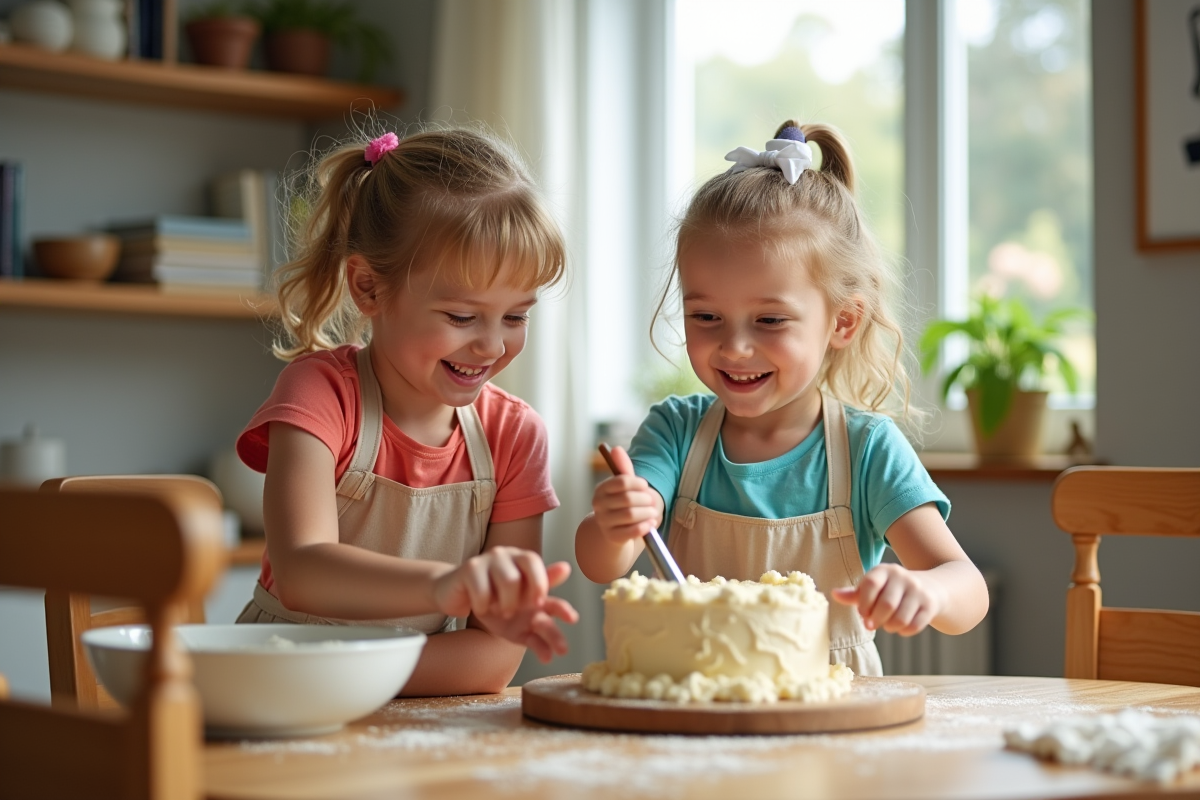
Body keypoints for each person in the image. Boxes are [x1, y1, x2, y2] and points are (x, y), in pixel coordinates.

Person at [575, 121, 989, 676]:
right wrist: (614, 525)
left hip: (829, 736)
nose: (735, 347)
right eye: (706, 317)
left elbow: (967, 591)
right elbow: (601, 564)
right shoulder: (674, 433)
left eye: (769, 320)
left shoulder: (867, 449)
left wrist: (925, 591)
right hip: (691, 727)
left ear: (843, 321)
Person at [235, 127, 578, 696]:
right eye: (462, 317)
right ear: (369, 288)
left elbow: (493, 659)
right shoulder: (321, 395)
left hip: (410, 708)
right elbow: (303, 572)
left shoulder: (514, 435)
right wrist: (447, 587)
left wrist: (353, 678)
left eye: (516, 317)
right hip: (279, 692)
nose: (493, 346)